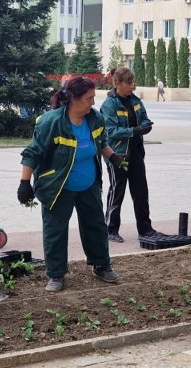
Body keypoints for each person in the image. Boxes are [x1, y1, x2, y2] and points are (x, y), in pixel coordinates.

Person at [18, 75, 127, 292]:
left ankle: (101, 265)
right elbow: (33, 152)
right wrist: (24, 182)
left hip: (88, 184)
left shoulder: (94, 118)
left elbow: (101, 142)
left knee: (95, 226)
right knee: (55, 230)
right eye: (88, 98)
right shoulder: (52, 122)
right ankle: (56, 275)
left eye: (93, 98)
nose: (92, 103)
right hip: (58, 186)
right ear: (73, 98)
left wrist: (113, 156)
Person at [99, 67, 164, 243]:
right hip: (117, 155)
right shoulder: (109, 105)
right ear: (117, 83)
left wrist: (146, 125)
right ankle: (110, 229)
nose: (132, 86)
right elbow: (111, 131)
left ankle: (145, 229)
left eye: (133, 82)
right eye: (128, 83)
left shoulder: (135, 101)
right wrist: (135, 130)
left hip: (136, 154)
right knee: (117, 191)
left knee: (141, 192)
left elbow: (144, 118)